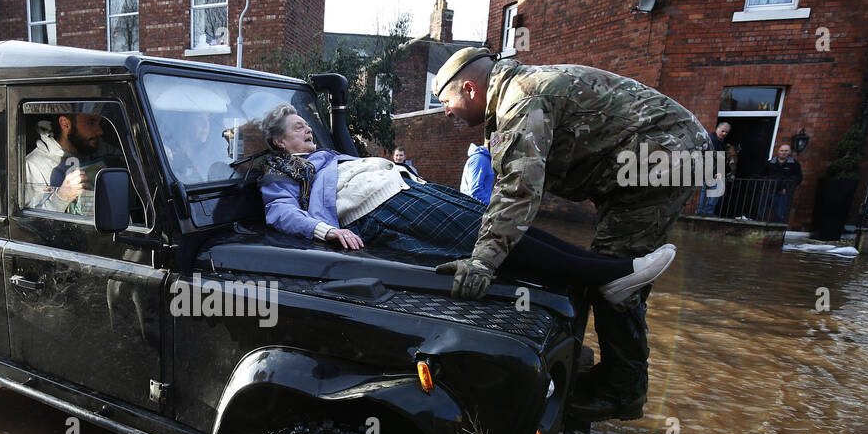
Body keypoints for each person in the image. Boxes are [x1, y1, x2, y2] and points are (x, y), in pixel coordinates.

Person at [431, 47, 710, 422]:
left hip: (668, 155)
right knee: (606, 268)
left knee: (615, 279)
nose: (445, 111)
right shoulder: (511, 99)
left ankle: (622, 392)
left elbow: (519, 191)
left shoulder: (521, 101)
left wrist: (483, 261)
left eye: (446, 101)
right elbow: (512, 188)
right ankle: (599, 369)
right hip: (647, 160)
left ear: (469, 88)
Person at [259, 104, 674, 303]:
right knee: (485, 237)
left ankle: (601, 275)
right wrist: (326, 230)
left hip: (406, 188)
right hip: (380, 206)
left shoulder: (322, 156)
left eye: (306, 122)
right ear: (280, 142)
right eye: (298, 127)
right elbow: (278, 212)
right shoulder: (283, 168)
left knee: (502, 223)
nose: (308, 129)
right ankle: (610, 276)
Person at [23, 111, 106, 214]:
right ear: (65, 123)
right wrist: (62, 196)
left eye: (99, 123)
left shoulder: (102, 152)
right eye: (91, 122)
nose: (100, 131)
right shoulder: (34, 165)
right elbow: (30, 224)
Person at [696, 120, 735, 215]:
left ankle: (702, 211)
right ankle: (706, 211)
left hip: (712, 170)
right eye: (723, 131)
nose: (724, 133)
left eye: (726, 132)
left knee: (708, 191)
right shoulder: (713, 141)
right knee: (714, 192)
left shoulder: (718, 141)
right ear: (717, 129)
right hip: (713, 171)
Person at [761, 142, 802, 223]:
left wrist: (787, 188)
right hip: (767, 191)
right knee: (761, 213)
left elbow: (798, 178)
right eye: (782, 150)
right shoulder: (770, 163)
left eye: (786, 151)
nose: (783, 152)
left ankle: (776, 234)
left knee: (780, 215)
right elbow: (761, 175)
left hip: (782, 193)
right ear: (778, 151)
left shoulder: (794, 164)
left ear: (789, 152)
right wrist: (764, 186)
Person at [459, 141, 494, 205]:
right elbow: (475, 190)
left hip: (475, 207)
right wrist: (489, 207)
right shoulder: (480, 159)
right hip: (476, 208)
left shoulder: (484, 158)